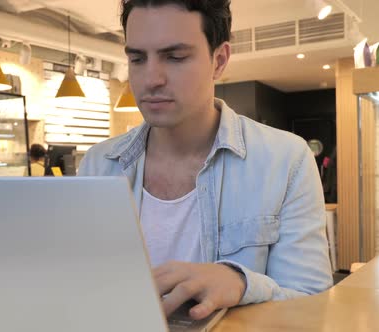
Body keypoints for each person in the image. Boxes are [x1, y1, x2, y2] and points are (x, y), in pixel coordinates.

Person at [78, 0, 332, 321]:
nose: (151, 78)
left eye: (175, 57)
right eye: (137, 58)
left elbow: (312, 305)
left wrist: (241, 283)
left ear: (219, 60)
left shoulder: (286, 160)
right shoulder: (99, 164)